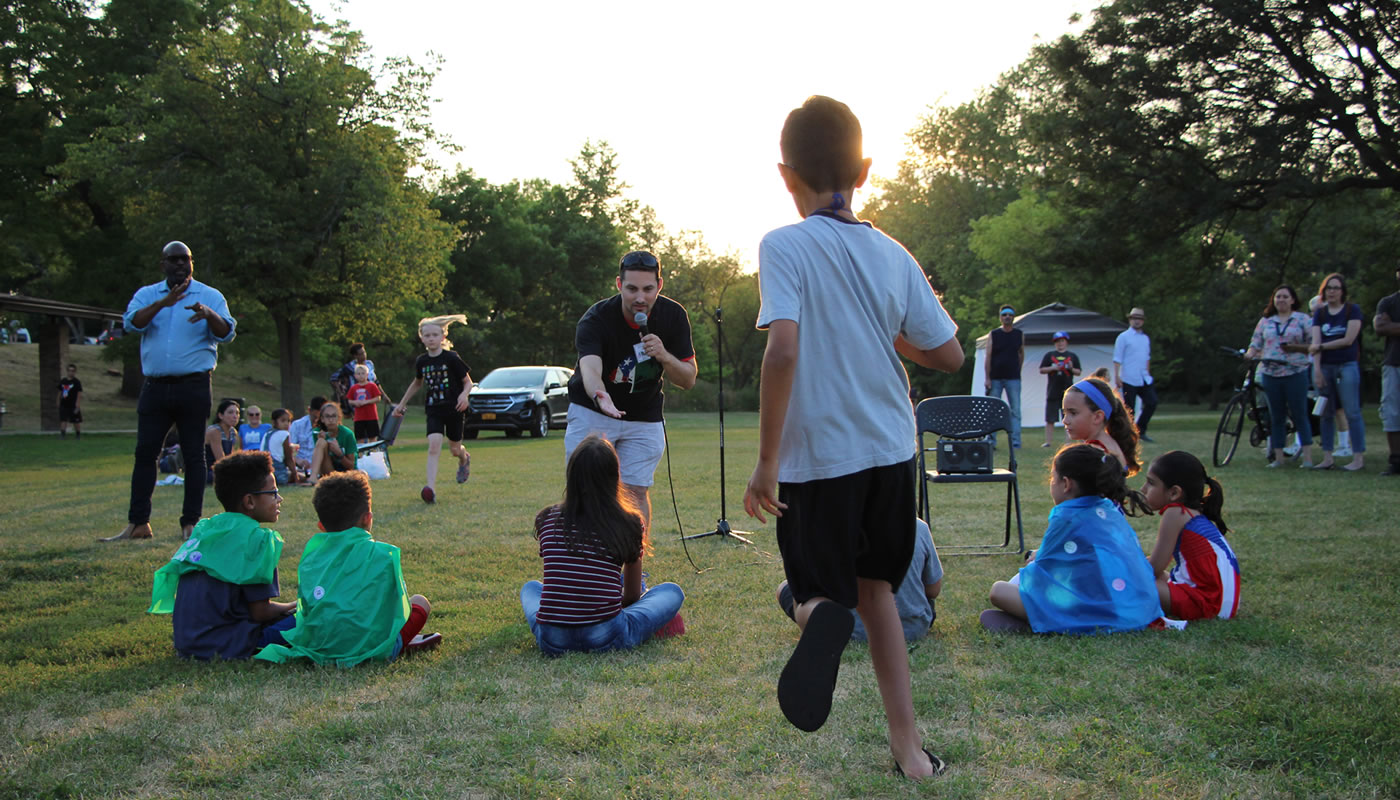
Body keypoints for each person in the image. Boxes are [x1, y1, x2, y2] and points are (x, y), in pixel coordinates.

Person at [742, 96, 964, 779]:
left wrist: (765, 464)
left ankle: (816, 621)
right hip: (893, 454)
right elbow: (950, 355)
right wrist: (883, 328)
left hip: (824, 460)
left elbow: (782, 352)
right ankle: (911, 752)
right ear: (864, 169)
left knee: (817, 593)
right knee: (879, 594)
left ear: (785, 176)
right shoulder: (893, 253)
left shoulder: (784, 245)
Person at [104, 240, 235, 542]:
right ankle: (139, 524)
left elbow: (227, 332)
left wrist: (208, 314)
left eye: (184, 259)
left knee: (194, 456)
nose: (179, 265)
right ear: (162, 264)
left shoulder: (210, 295)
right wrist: (163, 304)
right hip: (155, 387)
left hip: (194, 385)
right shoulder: (147, 295)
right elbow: (131, 324)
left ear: (192, 263)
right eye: (173, 260)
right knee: (145, 454)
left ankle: (190, 523)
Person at [565, 251, 697, 534]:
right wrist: (600, 395)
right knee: (587, 491)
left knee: (635, 493)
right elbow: (589, 369)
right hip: (593, 413)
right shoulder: (596, 318)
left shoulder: (674, 316)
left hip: (644, 417)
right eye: (632, 288)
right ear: (618, 284)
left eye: (648, 289)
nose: (640, 297)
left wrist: (664, 355)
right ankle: (588, 567)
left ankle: (634, 571)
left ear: (659, 285)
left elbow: (687, 379)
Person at [254, 471, 441, 666]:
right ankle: (398, 646)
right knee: (420, 602)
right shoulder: (383, 554)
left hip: (321, 647)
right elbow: (395, 611)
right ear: (367, 518)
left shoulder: (312, 555)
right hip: (370, 650)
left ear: (321, 526)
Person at [520, 434, 685, 655]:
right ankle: (647, 625)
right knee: (672, 592)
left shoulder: (547, 518)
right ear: (615, 476)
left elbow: (565, 574)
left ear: (572, 475)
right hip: (606, 636)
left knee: (531, 588)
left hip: (552, 640)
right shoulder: (630, 523)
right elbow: (631, 597)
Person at [986, 444, 1161, 634]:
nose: (1051, 482)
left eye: (1053, 477)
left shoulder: (1066, 517)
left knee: (999, 591)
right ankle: (1040, 621)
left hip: (1094, 612)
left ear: (1067, 484)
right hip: (1137, 612)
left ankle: (1043, 623)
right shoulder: (1109, 510)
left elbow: (1044, 574)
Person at [147, 451, 297, 660]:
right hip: (230, 645)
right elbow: (260, 612)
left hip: (188, 645)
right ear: (249, 502)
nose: (279, 498)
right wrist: (294, 605)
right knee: (309, 617)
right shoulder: (258, 539)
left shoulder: (206, 529)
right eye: (273, 492)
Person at [776, 518, 942, 644]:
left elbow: (814, 588)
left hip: (849, 630)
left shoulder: (831, 527)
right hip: (913, 628)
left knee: (785, 589)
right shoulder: (919, 526)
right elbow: (933, 589)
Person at [1141, 451, 1240, 621]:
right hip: (1223, 603)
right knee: (1140, 573)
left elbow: (1154, 568)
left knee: (1133, 581)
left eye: (1150, 483)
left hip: (1208, 604)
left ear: (1174, 493)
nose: (1143, 489)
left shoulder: (1175, 513)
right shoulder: (1192, 514)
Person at [393, 315, 473, 503]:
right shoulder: (422, 361)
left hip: (454, 408)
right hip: (434, 409)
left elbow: (467, 382)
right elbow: (417, 383)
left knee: (454, 449)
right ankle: (431, 489)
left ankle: (464, 458)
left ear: (443, 337)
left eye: (435, 335)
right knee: (434, 445)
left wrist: (464, 395)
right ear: (421, 338)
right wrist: (402, 403)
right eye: (427, 335)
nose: (431, 338)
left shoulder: (451, 358)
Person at [1245, 285, 1314, 468]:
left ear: (1292, 300)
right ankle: (1278, 458)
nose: (1281, 300)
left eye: (1285, 297)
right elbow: (1256, 342)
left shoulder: (1302, 320)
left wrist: (1295, 348)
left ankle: (1307, 458)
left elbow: (1313, 344)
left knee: (1300, 414)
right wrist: (1250, 353)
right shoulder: (1266, 321)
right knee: (1276, 416)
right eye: (1278, 297)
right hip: (1270, 373)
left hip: (1295, 372)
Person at [1310, 273, 1366, 471]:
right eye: (1328, 288)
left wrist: (1322, 347)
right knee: (1325, 413)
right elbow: (1315, 343)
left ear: (1342, 291)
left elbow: (1349, 339)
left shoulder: (1352, 310)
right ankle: (1327, 457)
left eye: (1335, 288)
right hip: (1324, 367)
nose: (1331, 291)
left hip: (1347, 366)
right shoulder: (1320, 313)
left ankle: (1358, 458)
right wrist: (1316, 370)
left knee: (1352, 412)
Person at [1061, 377, 1141, 476]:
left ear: (1097, 417)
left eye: (1073, 413)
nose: (1065, 420)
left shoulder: (1095, 453)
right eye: (1065, 413)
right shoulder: (1110, 444)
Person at [1113, 307, 1158, 442]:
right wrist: (1117, 376)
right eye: (1134, 319)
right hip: (1129, 377)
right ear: (1130, 320)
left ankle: (1141, 429)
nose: (1136, 321)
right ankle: (1128, 434)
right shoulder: (1123, 337)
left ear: (1142, 321)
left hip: (1143, 377)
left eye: (1139, 319)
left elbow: (1147, 358)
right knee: (1129, 408)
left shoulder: (1145, 338)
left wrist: (1148, 373)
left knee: (1152, 402)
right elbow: (1117, 358)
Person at [983, 304, 1024, 448]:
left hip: (1013, 378)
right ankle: (991, 441)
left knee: (1015, 411)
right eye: (1005, 314)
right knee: (992, 410)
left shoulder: (1019, 334)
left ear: (1013, 317)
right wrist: (987, 378)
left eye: (1010, 314)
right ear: (1000, 317)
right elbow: (988, 356)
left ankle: (1016, 442)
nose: (1007, 317)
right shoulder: (994, 334)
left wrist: (1018, 371)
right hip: (995, 378)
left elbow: (1021, 354)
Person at [1375, 265, 1400, 476]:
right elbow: (1380, 328)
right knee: (1391, 412)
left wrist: (1395, 326)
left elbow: (1389, 327)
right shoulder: (1388, 302)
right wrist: (1388, 326)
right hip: (1393, 363)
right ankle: (1396, 461)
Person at [1039, 332, 1081, 448]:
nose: (1060, 344)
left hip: (1068, 391)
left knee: (1068, 416)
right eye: (1058, 341)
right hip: (1052, 390)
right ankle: (1048, 442)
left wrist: (1071, 368)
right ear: (1055, 343)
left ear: (1066, 342)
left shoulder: (1072, 356)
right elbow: (1041, 369)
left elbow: (1078, 372)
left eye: (1062, 341)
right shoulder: (1049, 355)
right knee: (1050, 418)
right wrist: (1053, 367)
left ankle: (1068, 441)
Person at [308, 402, 356, 484]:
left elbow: (351, 466)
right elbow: (317, 459)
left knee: (362, 474)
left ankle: (315, 477)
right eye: (327, 416)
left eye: (334, 416)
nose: (331, 420)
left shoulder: (347, 434)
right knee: (321, 442)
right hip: (327, 471)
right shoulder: (317, 433)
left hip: (345, 473)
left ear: (339, 418)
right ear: (322, 419)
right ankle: (313, 477)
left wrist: (339, 453)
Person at [203, 399, 242, 487]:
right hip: (209, 471)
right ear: (220, 415)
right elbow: (221, 460)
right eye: (230, 412)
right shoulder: (215, 431)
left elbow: (231, 456)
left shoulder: (233, 432)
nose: (235, 416)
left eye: (237, 413)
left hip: (223, 469)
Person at [263, 408, 305, 486]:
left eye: (288, 421)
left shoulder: (267, 433)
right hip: (278, 473)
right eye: (283, 421)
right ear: (274, 422)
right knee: (303, 477)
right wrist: (296, 477)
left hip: (265, 474)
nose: (286, 424)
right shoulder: (284, 434)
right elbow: (289, 459)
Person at [346, 364, 384, 443]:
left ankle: (372, 453)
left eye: (363, 373)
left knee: (372, 437)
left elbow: (378, 398)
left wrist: (367, 402)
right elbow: (349, 400)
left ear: (367, 374)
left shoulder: (372, 386)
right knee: (360, 438)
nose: (361, 376)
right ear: (355, 376)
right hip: (359, 417)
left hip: (371, 416)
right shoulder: (354, 388)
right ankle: (361, 454)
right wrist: (356, 402)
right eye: (358, 374)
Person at [288, 396, 326, 474]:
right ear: (309, 410)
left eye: (320, 418)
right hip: (300, 466)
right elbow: (290, 450)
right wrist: (299, 461)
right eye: (315, 417)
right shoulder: (297, 425)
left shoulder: (328, 426)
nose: (317, 421)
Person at [57, 363, 83, 439]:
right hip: (64, 404)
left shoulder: (76, 382)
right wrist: (58, 400)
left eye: (73, 371)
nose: (71, 372)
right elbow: (59, 392)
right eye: (69, 370)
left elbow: (79, 393)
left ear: (75, 372)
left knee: (75, 420)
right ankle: (62, 434)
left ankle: (78, 435)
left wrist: (77, 403)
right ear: (67, 371)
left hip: (73, 404)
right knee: (63, 419)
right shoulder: (63, 381)